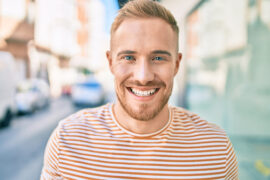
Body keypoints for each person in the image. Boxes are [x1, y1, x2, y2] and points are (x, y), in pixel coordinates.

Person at [41, 0, 239, 179]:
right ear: (110, 63)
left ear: (177, 65)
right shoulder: (67, 142)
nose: (143, 76)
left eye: (158, 58)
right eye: (129, 58)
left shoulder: (216, 150)